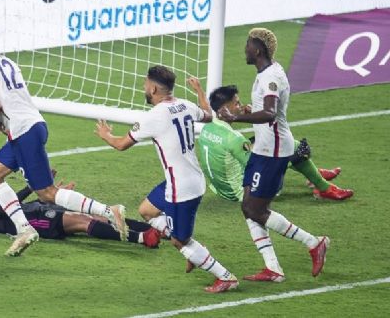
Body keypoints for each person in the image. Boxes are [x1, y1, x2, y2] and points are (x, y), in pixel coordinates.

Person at [0, 22, 127, 257]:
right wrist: (0, 126)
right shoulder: (7, 61)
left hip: (23, 131)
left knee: (47, 193)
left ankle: (110, 211)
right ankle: (24, 229)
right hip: (32, 125)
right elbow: (13, 100)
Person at [95, 67, 239, 293]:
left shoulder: (154, 117)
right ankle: (191, 249)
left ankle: (224, 276)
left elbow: (121, 144)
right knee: (146, 210)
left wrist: (106, 135)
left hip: (181, 189)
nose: (144, 88)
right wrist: (199, 90)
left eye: (145, 84)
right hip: (187, 179)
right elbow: (209, 115)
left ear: (153, 88)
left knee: (179, 241)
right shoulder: (184, 105)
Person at [217, 28, 330, 283]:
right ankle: (273, 268)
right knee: (248, 207)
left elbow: (269, 114)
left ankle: (314, 243)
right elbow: (266, 110)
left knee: (256, 209)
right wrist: (250, 110)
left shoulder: (271, 78)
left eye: (248, 44)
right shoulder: (267, 74)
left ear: (257, 49)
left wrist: (237, 117)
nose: (245, 48)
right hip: (263, 149)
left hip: (274, 152)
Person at [0, 149, 162, 248]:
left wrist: (42, 196)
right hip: (29, 222)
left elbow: (9, 206)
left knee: (93, 214)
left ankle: (152, 231)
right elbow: (4, 210)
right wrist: (36, 192)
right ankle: (142, 239)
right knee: (82, 221)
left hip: (32, 212)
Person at [198, 85, 354, 201]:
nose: (241, 106)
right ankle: (323, 187)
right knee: (294, 148)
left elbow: (207, 109)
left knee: (269, 142)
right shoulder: (235, 139)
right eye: (237, 103)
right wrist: (288, 159)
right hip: (246, 193)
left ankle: (313, 174)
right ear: (225, 109)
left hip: (221, 190)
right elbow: (256, 169)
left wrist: (199, 91)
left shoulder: (208, 127)